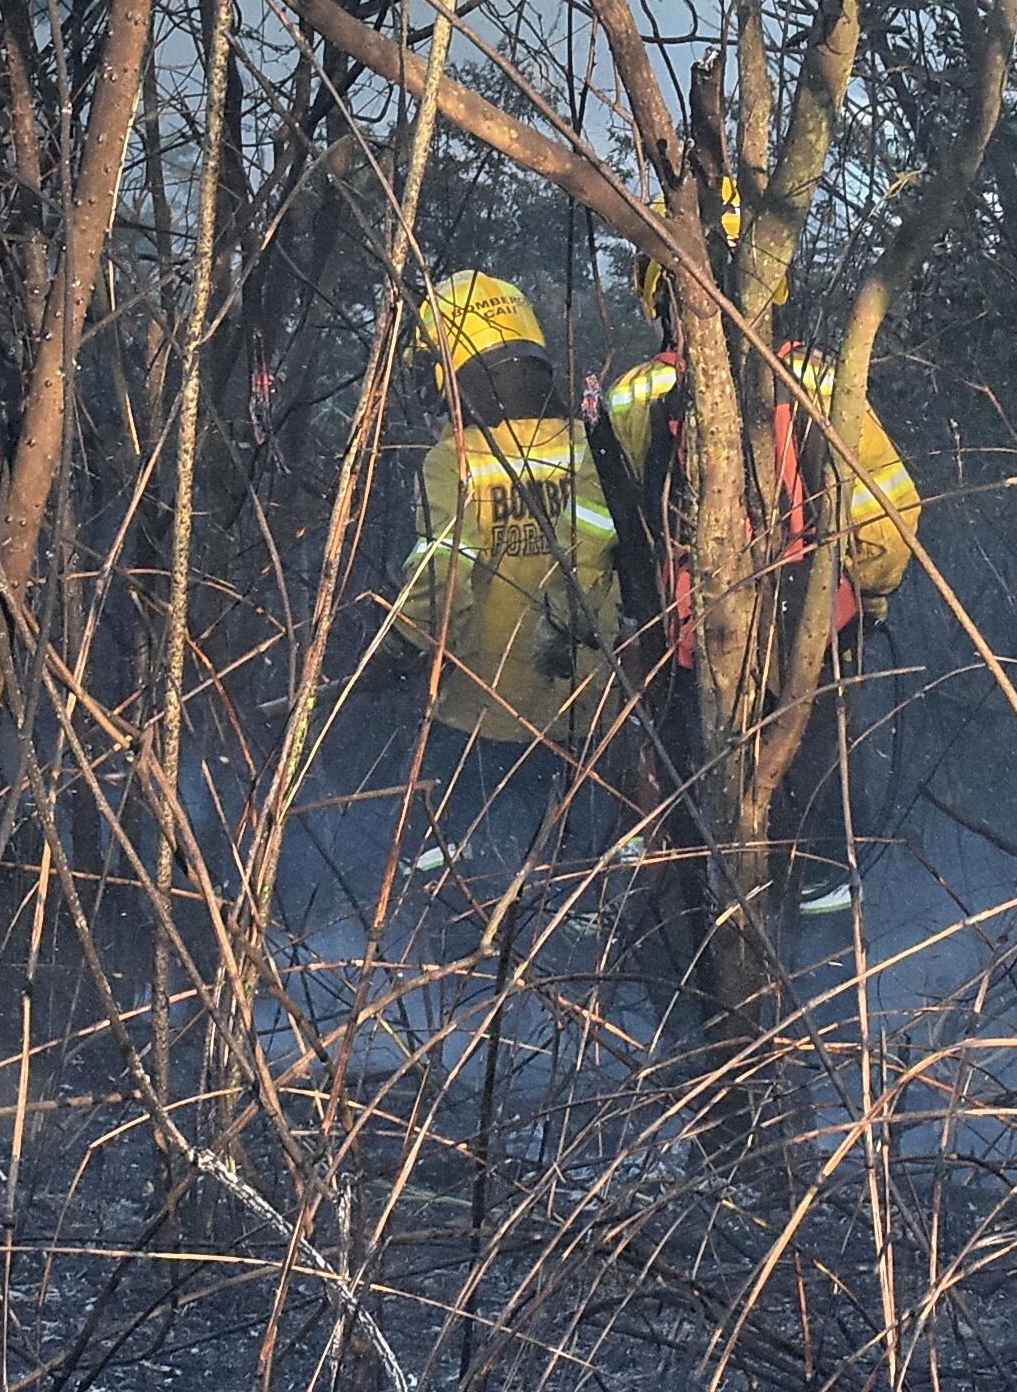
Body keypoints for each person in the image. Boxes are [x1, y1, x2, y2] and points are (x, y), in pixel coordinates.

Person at [602, 193, 922, 917]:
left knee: (699, 823)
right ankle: (824, 946)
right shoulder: (818, 379)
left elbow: (604, 534)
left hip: (688, 650)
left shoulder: (635, 395)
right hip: (812, 639)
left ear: (658, 292)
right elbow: (890, 507)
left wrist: (614, 623)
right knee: (818, 833)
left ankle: (706, 945)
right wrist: (865, 596)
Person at [358, 270, 623, 875]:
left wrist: (394, 649)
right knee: (576, 877)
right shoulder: (589, 445)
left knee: (448, 877)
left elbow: (440, 586)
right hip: (582, 712)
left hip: (478, 716)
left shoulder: (453, 461)